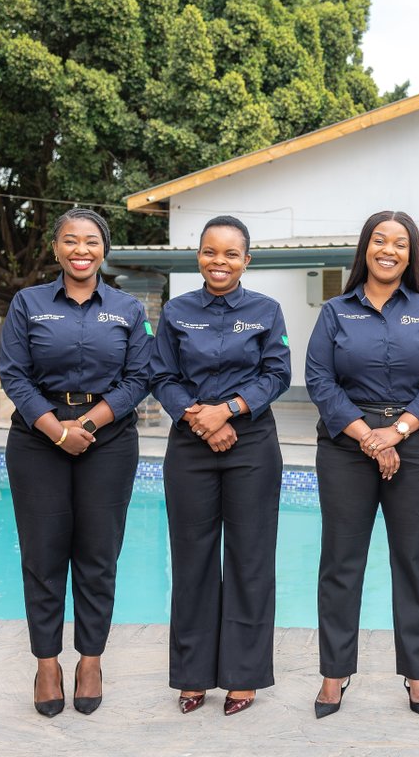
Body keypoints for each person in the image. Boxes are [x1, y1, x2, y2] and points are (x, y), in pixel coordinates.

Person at [0, 207, 154, 717]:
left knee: (98, 555)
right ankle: (47, 663)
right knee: (42, 556)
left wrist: (84, 426)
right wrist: (56, 430)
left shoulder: (128, 308)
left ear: (103, 250)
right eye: (70, 240)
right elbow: (14, 374)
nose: (81, 250)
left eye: (91, 241)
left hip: (108, 440)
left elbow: (139, 378)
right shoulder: (28, 303)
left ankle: (91, 660)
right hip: (37, 440)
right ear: (56, 248)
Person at [305, 210, 419, 720]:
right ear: (365, 249)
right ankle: (334, 672)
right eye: (379, 240)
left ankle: (418, 672)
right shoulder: (335, 311)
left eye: (400, 243)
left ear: (411, 255)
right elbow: (319, 379)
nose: (388, 250)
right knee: (341, 562)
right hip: (346, 446)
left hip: (415, 443)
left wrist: (397, 432)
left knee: (414, 561)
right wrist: (367, 436)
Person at [151, 215, 291, 717]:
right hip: (190, 444)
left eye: (231, 254)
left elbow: (277, 374)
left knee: (250, 560)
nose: (220, 262)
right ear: (198, 256)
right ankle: (192, 675)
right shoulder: (177, 311)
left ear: (246, 261)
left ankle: (243, 676)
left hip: (251, 444)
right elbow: (160, 374)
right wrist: (202, 419)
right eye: (211, 252)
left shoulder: (266, 311)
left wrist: (228, 411)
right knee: (192, 561)